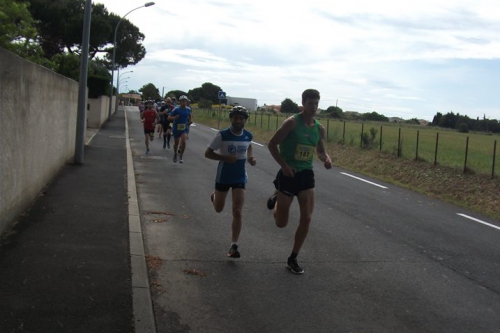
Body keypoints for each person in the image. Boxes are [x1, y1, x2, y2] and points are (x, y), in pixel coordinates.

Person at [267, 89, 332, 274]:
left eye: (316, 104)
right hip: (288, 175)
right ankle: (277, 201)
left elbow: (320, 150)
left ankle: (293, 258)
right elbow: (271, 145)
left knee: (307, 218)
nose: (313, 107)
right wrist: (284, 166)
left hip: (306, 175)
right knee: (281, 223)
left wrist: (326, 159)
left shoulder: (319, 128)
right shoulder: (291, 123)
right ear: (303, 103)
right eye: (310, 103)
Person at [205, 106, 256, 258]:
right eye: (235, 117)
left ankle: (234, 245)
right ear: (231, 119)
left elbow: (249, 146)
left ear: (245, 120)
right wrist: (225, 158)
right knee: (219, 209)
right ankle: (214, 196)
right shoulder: (222, 135)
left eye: (241, 118)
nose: (238, 120)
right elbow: (207, 153)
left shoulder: (248, 135)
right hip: (224, 176)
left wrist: (250, 157)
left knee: (238, 211)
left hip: (240, 176)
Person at [168, 95, 192, 163]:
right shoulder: (176, 109)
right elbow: (169, 117)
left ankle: (181, 156)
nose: (184, 103)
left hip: (184, 128)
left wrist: (189, 121)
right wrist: (174, 118)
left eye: (185, 101)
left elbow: (190, 115)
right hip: (176, 128)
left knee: (184, 141)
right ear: (180, 102)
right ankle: (175, 153)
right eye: (182, 101)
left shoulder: (188, 109)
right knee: (176, 143)